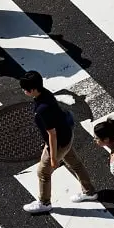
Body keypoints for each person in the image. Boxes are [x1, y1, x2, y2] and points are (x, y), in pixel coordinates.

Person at [20, 71, 97, 214]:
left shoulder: (42, 110)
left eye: (25, 89)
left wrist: (54, 158)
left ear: (33, 89)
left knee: (43, 172)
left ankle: (44, 202)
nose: (24, 91)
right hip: (67, 136)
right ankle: (89, 191)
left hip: (58, 143)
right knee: (75, 163)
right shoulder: (46, 94)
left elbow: (52, 134)